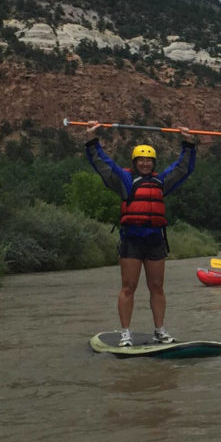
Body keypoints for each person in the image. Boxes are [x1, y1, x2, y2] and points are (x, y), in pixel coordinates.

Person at [85, 127, 198, 345]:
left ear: (154, 164)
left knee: (157, 287)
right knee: (129, 287)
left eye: (149, 161)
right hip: (132, 240)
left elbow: (183, 169)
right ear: (135, 162)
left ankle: (159, 330)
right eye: (141, 160)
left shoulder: (161, 182)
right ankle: (126, 333)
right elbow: (102, 164)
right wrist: (92, 141)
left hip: (155, 240)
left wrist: (189, 145)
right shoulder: (126, 181)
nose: (145, 164)